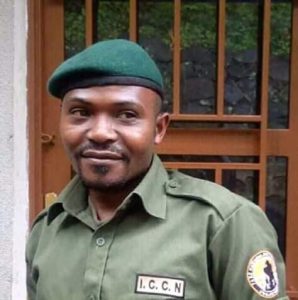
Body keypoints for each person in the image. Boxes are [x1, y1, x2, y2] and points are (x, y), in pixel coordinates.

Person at [26, 39, 288, 300]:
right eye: (81, 112)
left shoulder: (223, 223)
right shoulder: (47, 230)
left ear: (159, 128)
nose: (100, 133)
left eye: (127, 115)